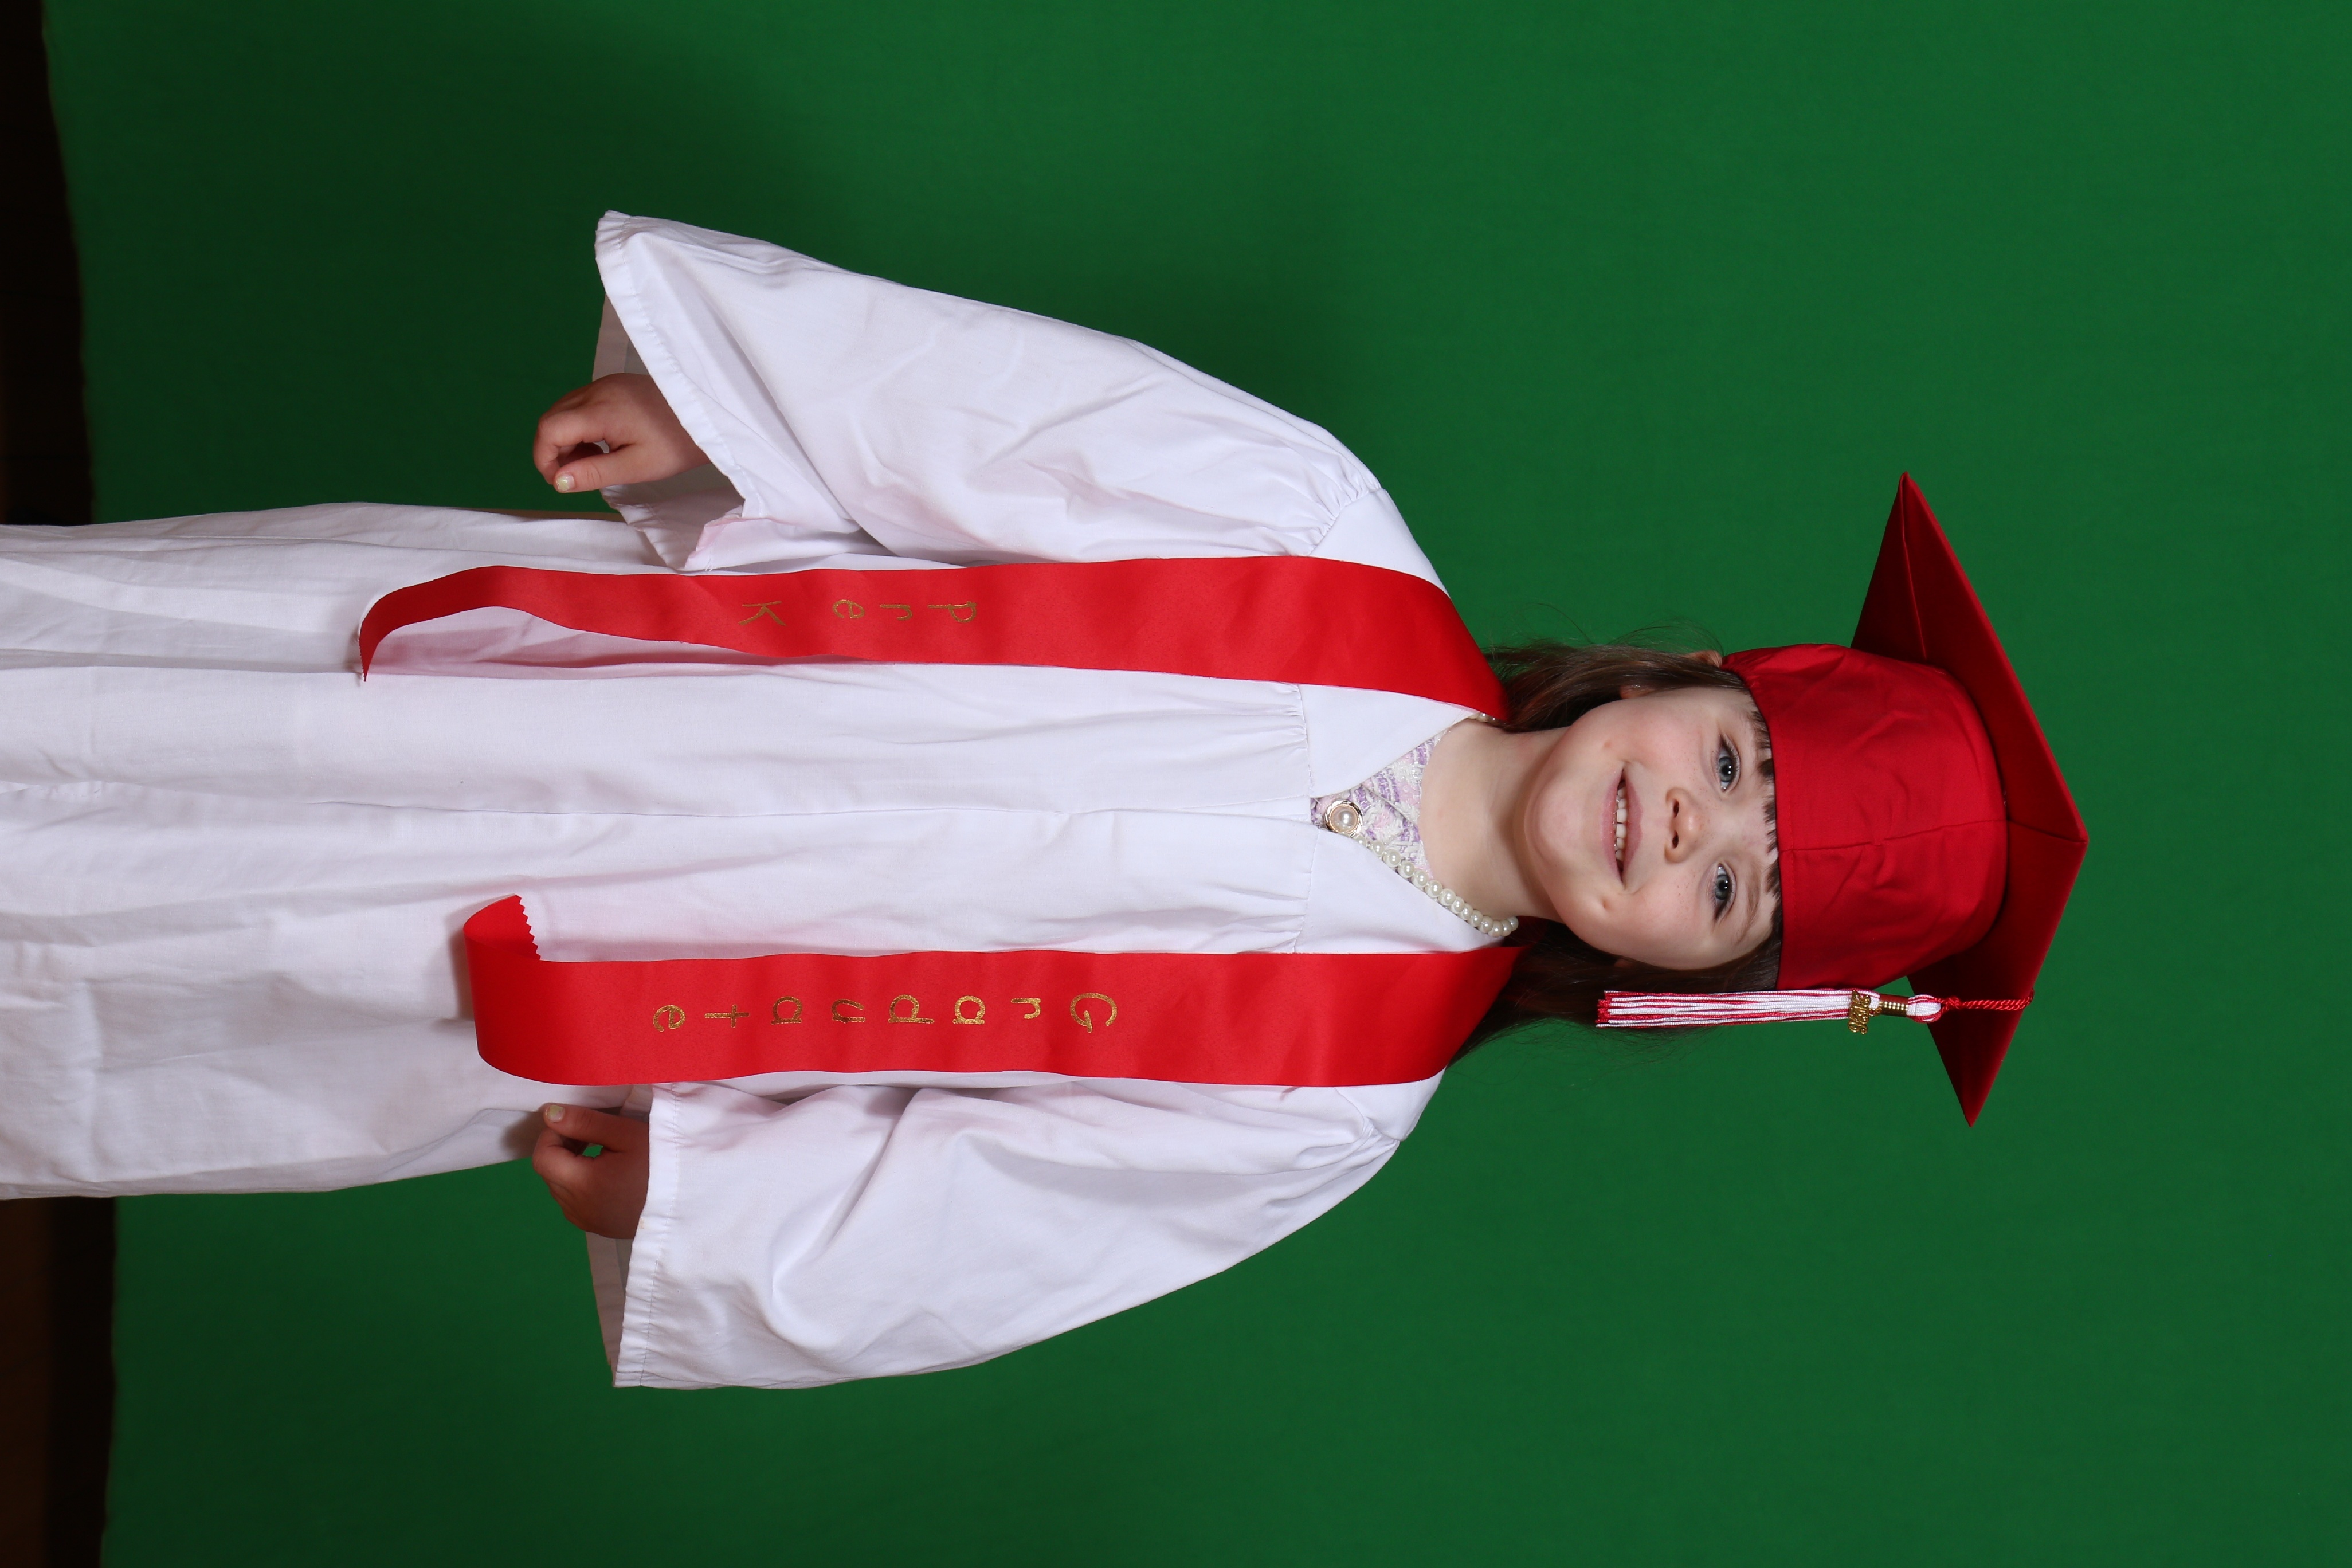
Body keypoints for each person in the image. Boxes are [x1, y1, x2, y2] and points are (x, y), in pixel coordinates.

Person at [0, 215, 2082, 1389]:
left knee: (180, 974)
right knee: (157, 701)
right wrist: (718, 416)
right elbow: (969, 417)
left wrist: (709, 1214)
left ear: (1681, 978)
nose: (1689, 826)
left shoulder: (1329, 1102)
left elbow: (979, 1227)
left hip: (599, 963)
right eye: (1735, 765)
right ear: (1687, 679)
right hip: (601, 677)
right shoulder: (1314, 531)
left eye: (1734, 892)